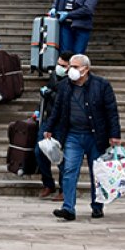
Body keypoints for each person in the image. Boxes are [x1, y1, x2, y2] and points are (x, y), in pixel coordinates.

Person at [42, 54, 120, 221]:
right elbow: (57, 109)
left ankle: (97, 206)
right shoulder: (64, 86)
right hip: (73, 135)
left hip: (96, 135)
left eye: (75, 67)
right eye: (70, 66)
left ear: (86, 69)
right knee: (69, 169)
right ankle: (68, 207)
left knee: (97, 173)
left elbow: (111, 111)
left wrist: (115, 134)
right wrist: (49, 128)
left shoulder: (102, 85)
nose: (71, 70)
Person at [35, 52, 73, 202]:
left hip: (64, 123)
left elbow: (64, 100)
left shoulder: (73, 81)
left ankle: (64, 189)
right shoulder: (54, 76)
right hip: (49, 119)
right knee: (39, 151)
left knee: (61, 156)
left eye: (63, 66)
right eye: (59, 64)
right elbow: (48, 96)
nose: (59, 68)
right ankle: (48, 183)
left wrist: (51, 94)